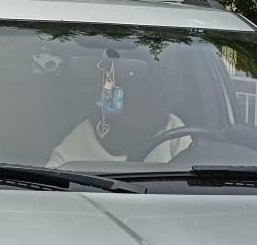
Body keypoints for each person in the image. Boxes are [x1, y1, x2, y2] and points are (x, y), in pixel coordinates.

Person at [47, 52, 190, 166]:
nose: (135, 104)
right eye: (121, 95)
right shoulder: (74, 147)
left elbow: (192, 178)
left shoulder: (172, 129)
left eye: (142, 94)